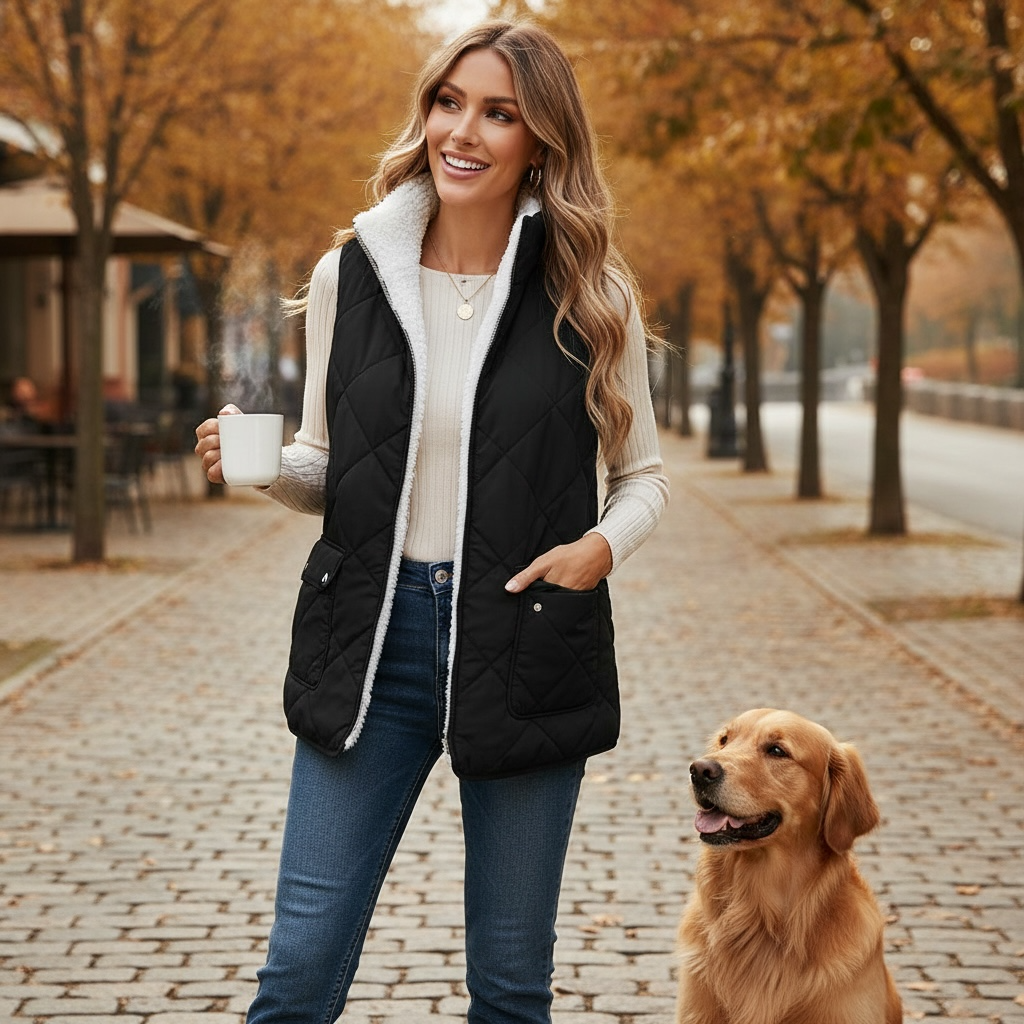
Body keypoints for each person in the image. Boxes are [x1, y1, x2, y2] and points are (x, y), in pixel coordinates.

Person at [194, 20, 668, 1024]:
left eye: (499, 113)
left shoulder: (591, 291)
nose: (465, 131)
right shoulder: (349, 275)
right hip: (375, 640)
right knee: (296, 971)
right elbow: (329, 469)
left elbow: (644, 479)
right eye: (449, 103)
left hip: (527, 636)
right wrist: (259, 467)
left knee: (507, 988)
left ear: (540, 141)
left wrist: (598, 548)